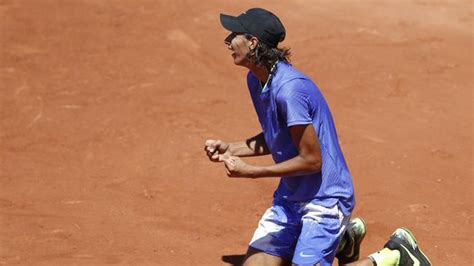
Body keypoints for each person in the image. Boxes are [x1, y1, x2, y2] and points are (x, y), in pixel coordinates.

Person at [204, 7, 431, 266]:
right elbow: (278, 137)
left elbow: (312, 160)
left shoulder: (290, 91)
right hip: (290, 199)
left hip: (325, 199)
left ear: (253, 42)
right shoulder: (256, 81)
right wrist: (230, 149)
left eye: (234, 35)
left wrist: (252, 171)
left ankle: (395, 256)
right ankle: (344, 240)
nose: (228, 41)